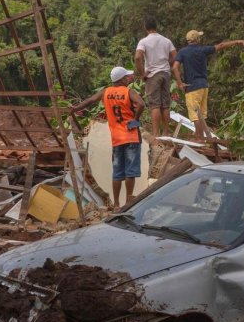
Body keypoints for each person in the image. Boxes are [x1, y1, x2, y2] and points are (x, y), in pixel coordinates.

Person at [70, 66, 145, 209]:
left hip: (117, 139)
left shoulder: (105, 92)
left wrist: (75, 108)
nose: (128, 78)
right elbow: (141, 103)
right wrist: (135, 119)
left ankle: (116, 203)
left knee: (117, 172)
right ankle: (129, 200)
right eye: (126, 77)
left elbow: (90, 101)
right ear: (122, 79)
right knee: (130, 171)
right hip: (131, 137)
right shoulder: (129, 91)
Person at [173, 30, 244, 139]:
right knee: (202, 115)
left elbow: (175, 67)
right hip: (204, 86)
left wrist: (180, 84)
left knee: (195, 116)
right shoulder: (203, 50)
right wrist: (237, 41)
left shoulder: (183, 52)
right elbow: (221, 45)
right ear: (197, 39)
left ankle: (199, 139)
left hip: (192, 87)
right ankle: (203, 138)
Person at [134, 17, 176, 138]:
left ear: (145, 28)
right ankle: (166, 133)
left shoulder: (144, 41)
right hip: (165, 73)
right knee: (165, 105)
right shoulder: (166, 40)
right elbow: (175, 56)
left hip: (152, 75)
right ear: (156, 27)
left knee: (155, 105)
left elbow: (137, 57)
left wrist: (142, 73)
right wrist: (168, 64)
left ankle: (156, 134)